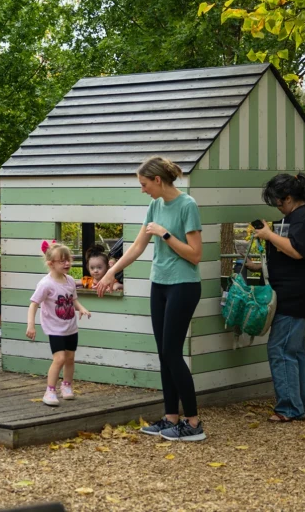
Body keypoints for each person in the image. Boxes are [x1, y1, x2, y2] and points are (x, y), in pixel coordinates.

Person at [95, 156, 206, 442]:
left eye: (144, 184)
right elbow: (137, 246)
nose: (142, 189)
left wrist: (166, 234)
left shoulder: (187, 205)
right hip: (160, 284)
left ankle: (193, 423)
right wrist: (111, 273)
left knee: (172, 353)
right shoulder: (155, 205)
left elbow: (195, 255)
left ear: (158, 180)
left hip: (184, 285)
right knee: (163, 354)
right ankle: (171, 417)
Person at [249, 173, 305, 422]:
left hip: (297, 296)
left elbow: (296, 251)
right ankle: (297, 405)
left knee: (280, 349)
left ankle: (289, 408)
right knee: (292, 351)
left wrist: (268, 235)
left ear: (289, 198)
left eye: (279, 202)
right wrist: (261, 267)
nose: (278, 207)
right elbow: (288, 256)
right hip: (298, 292)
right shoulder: (302, 216)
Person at [27, 242, 90, 406]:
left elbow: (73, 299)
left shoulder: (69, 281)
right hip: (55, 329)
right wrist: (31, 325)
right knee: (59, 358)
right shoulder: (46, 284)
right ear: (51, 264)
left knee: (70, 358)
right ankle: (50, 391)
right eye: (62, 261)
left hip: (71, 327)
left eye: (68, 259)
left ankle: (67, 386)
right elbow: (34, 304)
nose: (67, 263)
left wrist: (81, 309)